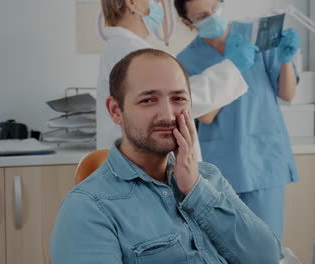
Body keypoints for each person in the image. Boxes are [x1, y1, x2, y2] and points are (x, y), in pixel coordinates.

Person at [51, 48, 281, 263]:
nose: (168, 115)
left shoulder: (208, 178)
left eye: (178, 99)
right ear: (115, 111)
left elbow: (267, 257)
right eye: (148, 100)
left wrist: (195, 188)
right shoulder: (87, 208)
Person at [174, 0, 300, 239]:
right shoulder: (184, 61)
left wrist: (286, 59)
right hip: (222, 162)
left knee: (267, 243)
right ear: (187, 22)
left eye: (214, 8)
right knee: (226, 245)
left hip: (264, 158)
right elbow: (207, 115)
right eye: (202, 16)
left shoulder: (255, 35)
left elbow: (287, 93)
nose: (212, 16)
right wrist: (232, 67)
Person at [97, 0, 258, 150]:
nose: (160, 5)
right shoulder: (130, 51)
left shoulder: (125, 47)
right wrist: (232, 67)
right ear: (132, 2)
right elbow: (178, 101)